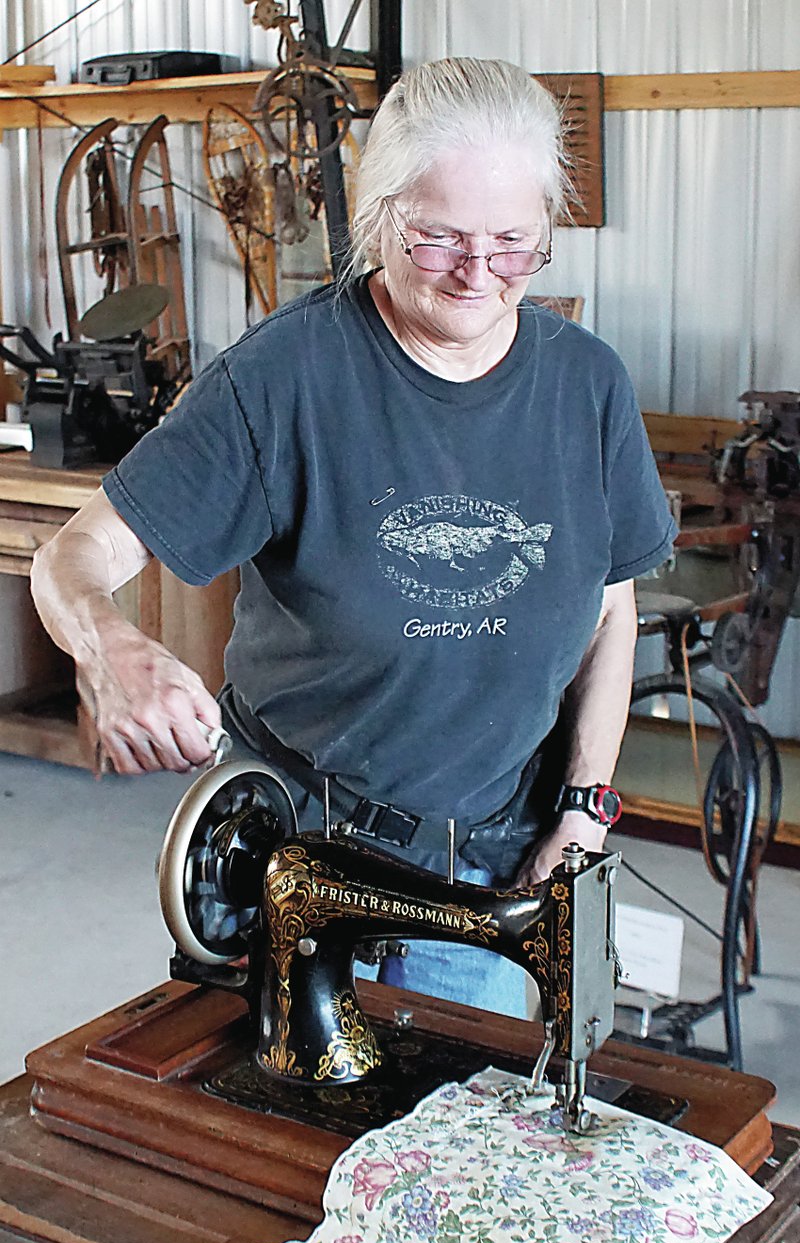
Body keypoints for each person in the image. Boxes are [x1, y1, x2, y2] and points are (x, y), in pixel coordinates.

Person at [31, 57, 677, 1018]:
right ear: (379, 219)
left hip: (498, 864)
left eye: (513, 244)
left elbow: (609, 612)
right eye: (439, 239)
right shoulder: (284, 379)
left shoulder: (586, 386)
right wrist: (109, 643)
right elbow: (70, 557)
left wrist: (583, 809)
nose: (477, 274)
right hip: (301, 858)